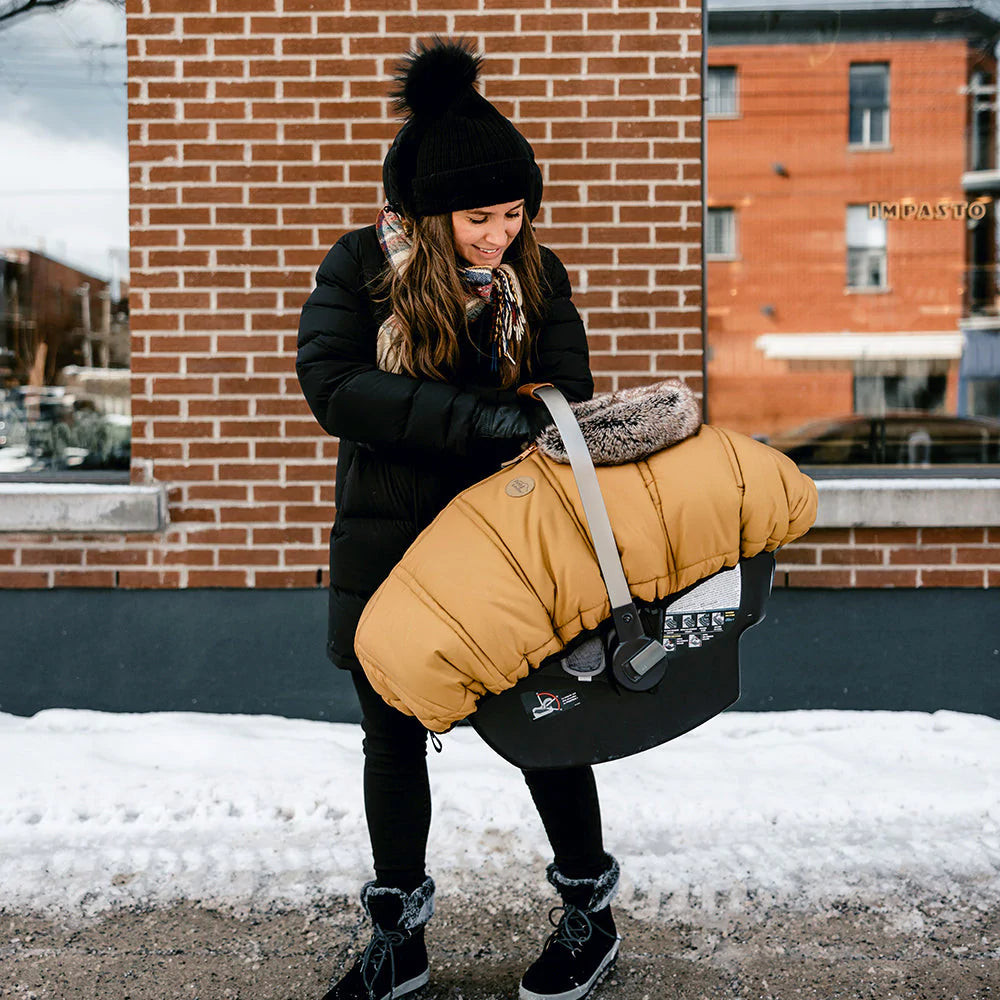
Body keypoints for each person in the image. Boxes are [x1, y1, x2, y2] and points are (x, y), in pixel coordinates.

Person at [297, 38, 621, 1000]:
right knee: (392, 737)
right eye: (480, 218)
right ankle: (398, 937)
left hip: (509, 550)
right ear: (428, 214)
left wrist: (523, 410)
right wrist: (479, 415)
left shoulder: (537, 276)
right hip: (391, 544)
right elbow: (334, 385)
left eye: (516, 214)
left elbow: (568, 396)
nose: (499, 235)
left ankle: (589, 916)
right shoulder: (362, 266)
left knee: (546, 726)